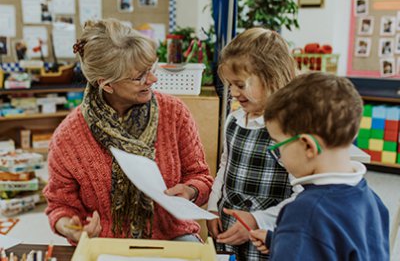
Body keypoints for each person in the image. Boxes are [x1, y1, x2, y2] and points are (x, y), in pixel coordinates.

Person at [43, 18, 213, 244]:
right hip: (107, 243)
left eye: (150, 69)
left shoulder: (174, 113)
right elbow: (60, 204)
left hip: (172, 236)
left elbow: (200, 176)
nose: (152, 79)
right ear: (107, 84)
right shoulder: (69, 137)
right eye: (139, 76)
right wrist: (71, 229)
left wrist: (190, 191)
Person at [250, 72, 389, 260]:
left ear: (308, 146)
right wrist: (280, 241)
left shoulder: (303, 214)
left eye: (278, 144)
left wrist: (293, 236)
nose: (279, 154)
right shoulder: (372, 200)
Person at [206, 28, 297, 260]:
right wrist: (212, 207)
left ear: (272, 76)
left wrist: (258, 219)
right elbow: (225, 166)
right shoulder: (235, 119)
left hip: (267, 234)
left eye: (240, 84)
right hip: (230, 227)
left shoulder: (289, 128)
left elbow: (303, 196)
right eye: (230, 85)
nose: (234, 93)